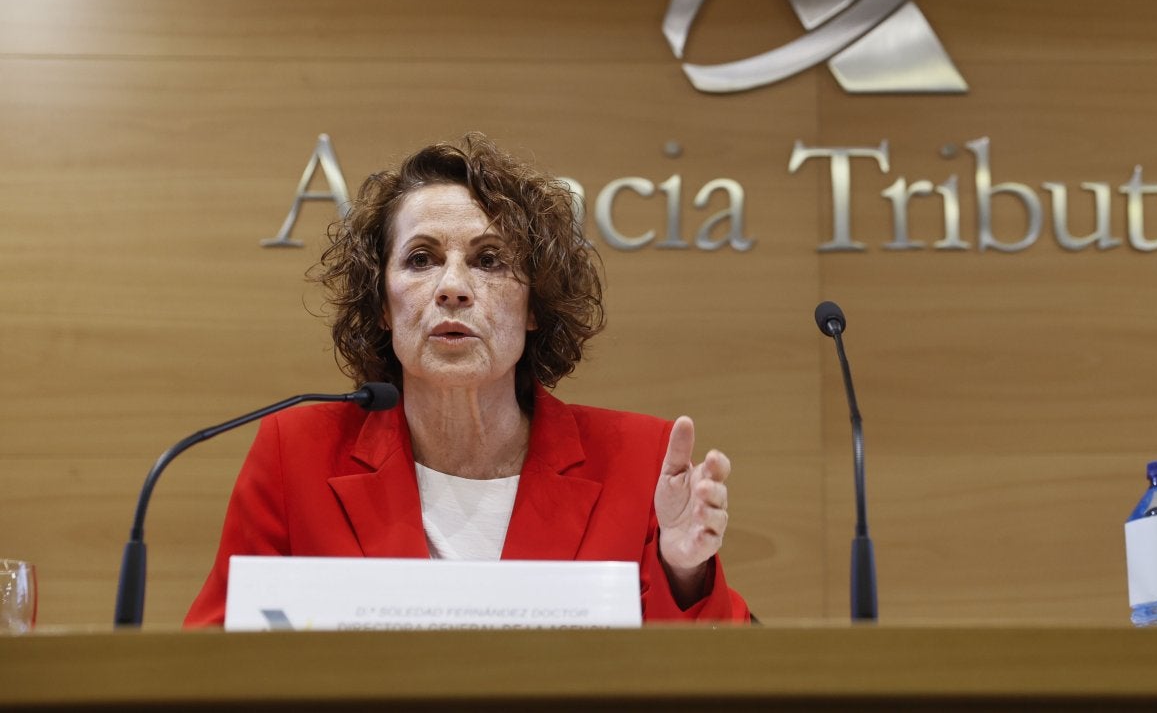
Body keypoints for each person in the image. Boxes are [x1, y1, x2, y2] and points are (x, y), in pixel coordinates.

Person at [186, 134, 748, 624]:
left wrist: (684, 572)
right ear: (382, 303)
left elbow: (721, 679)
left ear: (535, 304)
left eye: (488, 260)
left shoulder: (641, 464)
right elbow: (211, 666)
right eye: (421, 259)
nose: (452, 287)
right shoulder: (296, 457)